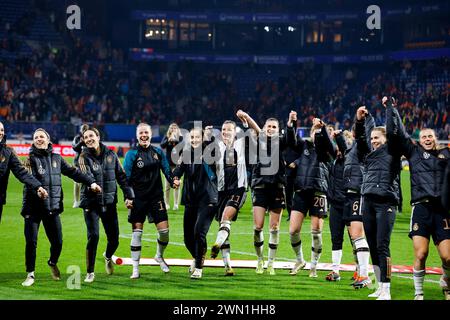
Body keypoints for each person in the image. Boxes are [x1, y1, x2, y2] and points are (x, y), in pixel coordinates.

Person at [386, 97, 450, 300]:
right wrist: (392, 109)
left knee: (448, 257)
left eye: (430, 136)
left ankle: (446, 281)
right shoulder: (413, 152)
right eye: (424, 137)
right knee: (421, 254)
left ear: (436, 138)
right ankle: (419, 293)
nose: (428, 139)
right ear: (420, 140)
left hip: (442, 211)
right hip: (421, 210)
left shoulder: (446, 154)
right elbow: (399, 135)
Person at [21, 128, 101, 287]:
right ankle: (30, 274)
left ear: (48, 139)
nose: (38, 139)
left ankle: (52, 262)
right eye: (36, 137)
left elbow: (74, 172)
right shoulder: (29, 159)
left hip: (52, 207)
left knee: (58, 242)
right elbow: (27, 178)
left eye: (41, 137)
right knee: (31, 242)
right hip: (33, 208)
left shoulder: (57, 159)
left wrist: (91, 182)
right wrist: (37, 189)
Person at [235, 110, 295, 275]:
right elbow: (257, 131)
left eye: (274, 127)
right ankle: (259, 259)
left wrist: (290, 122)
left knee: (274, 227)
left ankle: (271, 263)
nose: (271, 129)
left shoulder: (281, 142)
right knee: (258, 227)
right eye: (269, 126)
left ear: (278, 130)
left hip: (277, 187)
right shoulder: (259, 140)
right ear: (264, 127)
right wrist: (247, 117)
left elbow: (291, 139)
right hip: (261, 186)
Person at [355, 101, 402, 300]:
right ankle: (379, 287)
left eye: (377, 138)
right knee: (373, 245)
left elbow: (395, 130)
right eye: (373, 138)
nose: (374, 141)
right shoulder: (369, 155)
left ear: (386, 139)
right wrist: (362, 119)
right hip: (369, 202)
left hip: (386, 202)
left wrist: (389, 109)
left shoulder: (392, 150)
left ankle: (387, 290)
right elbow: (362, 136)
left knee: (383, 245)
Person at [77, 127, 134, 283]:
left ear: (98, 136)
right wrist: (92, 183)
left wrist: (129, 195)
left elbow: (121, 177)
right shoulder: (82, 157)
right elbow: (84, 174)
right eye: (86, 137)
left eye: (91, 136)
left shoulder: (111, 155)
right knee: (93, 236)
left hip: (109, 203)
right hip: (91, 203)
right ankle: (90, 272)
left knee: (114, 240)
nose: (89, 139)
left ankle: (108, 257)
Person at [123, 123, 178, 279]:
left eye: (146, 132)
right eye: (141, 133)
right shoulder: (131, 154)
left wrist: (173, 180)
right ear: (137, 135)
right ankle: (135, 268)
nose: (144, 135)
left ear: (151, 134)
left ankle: (159, 256)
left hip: (156, 197)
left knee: (165, 233)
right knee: (137, 234)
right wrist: (127, 197)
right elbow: (125, 178)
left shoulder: (158, 152)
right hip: (137, 198)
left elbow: (167, 171)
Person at [287, 115, 335, 278]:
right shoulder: (304, 146)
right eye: (314, 132)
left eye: (319, 132)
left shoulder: (327, 151)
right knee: (293, 230)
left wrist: (322, 130)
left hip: (318, 191)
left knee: (316, 231)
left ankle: (314, 265)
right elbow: (292, 140)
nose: (317, 135)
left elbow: (328, 144)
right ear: (311, 133)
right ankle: (300, 260)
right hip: (301, 191)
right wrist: (292, 122)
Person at [173, 126, 218, 279]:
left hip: (207, 199)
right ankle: (198, 257)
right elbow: (178, 170)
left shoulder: (209, 152)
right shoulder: (185, 155)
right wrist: (176, 179)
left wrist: (209, 137)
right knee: (187, 238)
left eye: (197, 137)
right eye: (191, 137)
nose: (194, 140)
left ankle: (198, 267)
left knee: (199, 232)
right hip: (191, 200)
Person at [209, 120, 247, 276]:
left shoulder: (242, 145)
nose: (225, 132)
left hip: (238, 190)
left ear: (235, 132)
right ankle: (228, 266)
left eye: (229, 130)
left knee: (225, 218)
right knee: (224, 226)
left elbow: (255, 134)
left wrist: (245, 121)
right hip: (221, 192)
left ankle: (217, 244)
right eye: (223, 129)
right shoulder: (217, 146)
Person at [342, 121, 374, 290]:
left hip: (357, 192)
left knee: (357, 234)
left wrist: (360, 121)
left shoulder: (362, 146)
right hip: (348, 193)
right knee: (354, 236)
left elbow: (362, 138)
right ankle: (360, 272)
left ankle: (365, 275)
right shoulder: (352, 148)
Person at [0, 122, 48, 223]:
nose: (1, 133)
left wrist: (38, 186)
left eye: (2, 130)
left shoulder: (8, 151)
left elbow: (21, 172)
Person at [160, 123, 183, 211]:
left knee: (177, 184)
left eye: (175, 128)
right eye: (172, 128)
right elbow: (162, 145)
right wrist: (169, 140)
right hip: (168, 165)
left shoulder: (180, 138)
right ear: (169, 129)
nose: (173, 129)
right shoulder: (167, 137)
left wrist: (176, 140)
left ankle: (176, 204)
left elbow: (183, 146)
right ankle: (167, 204)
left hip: (178, 165)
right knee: (167, 185)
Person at [72, 124, 89, 208]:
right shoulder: (77, 138)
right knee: (77, 182)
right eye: (83, 129)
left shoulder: (90, 138)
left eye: (85, 129)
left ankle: (83, 199)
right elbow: (74, 148)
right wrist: (81, 142)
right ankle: (76, 201)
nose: (84, 131)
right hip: (77, 163)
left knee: (86, 182)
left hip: (87, 163)